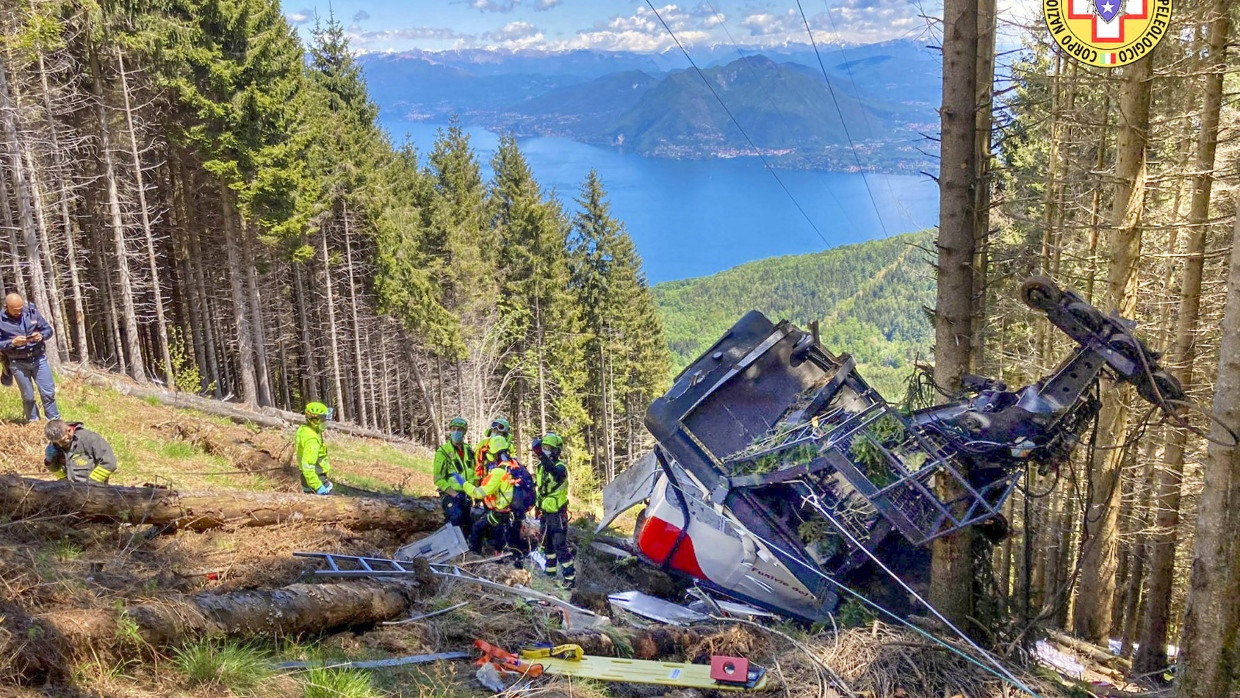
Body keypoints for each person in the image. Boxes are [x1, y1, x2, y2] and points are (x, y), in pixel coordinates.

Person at [0, 293, 59, 422]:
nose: (19, 312)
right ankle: (33, 423)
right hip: (17, 362)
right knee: (28, 397)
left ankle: (54, 422)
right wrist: (12, 343)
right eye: (15, 311)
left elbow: (48, 330)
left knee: (48, 393)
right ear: (6, 307)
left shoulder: (32, 313)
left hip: (38, 358)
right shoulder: (1, 320)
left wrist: (41, 335)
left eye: (21, 309)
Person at [533, 433, 574, 588]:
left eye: (548, 448)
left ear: (556, 451)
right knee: (547, 544)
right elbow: (541, 489)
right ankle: (550, 573)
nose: (545, 451)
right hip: (545, 511)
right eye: (543, 448)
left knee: (560, 545)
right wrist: (537, 507)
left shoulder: (560, 467)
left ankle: (569, 578)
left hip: (557, 514)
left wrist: (540, 454)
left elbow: (555, 475)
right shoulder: (540, 467)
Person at [467, 433, 518, 558]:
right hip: (513, 512)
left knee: (477, 528)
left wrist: (464, 484)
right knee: (497, 534)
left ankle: (473, 555)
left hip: (501, 513)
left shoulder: (498, 472)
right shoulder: (515, 466)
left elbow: (480, 493)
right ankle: (499, 553)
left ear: (494, 453)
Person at [433, 416, 477, 535]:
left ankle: (468, 550)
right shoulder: (443, 452)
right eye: (453, 429)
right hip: (450, 494)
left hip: (467, 494)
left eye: (459, 429)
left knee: (468, 523)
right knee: (455, 517)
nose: (456, 432)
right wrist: (455, 494)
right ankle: (451, 547)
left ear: (464, 432)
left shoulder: (469, 451)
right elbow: (438, 479)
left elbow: (474, 473)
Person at [44, 420, 117, 484]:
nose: (60, 445)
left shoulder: (90, 439)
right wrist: (50, 461)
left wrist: (91, 484)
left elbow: (109, 463)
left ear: (69, 430)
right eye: (57, 443)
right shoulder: (54, 444)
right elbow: (58, 470)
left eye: (63, 441)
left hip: (93, 490)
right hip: (70, 490)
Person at [296, 402, 334, 494]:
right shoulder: (311, 439)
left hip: (308, 478)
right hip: (316, 478)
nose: (325, 423)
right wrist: (318, 486)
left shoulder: (305, 430)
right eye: (323, 420)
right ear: (314, 421)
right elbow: (308, 465)